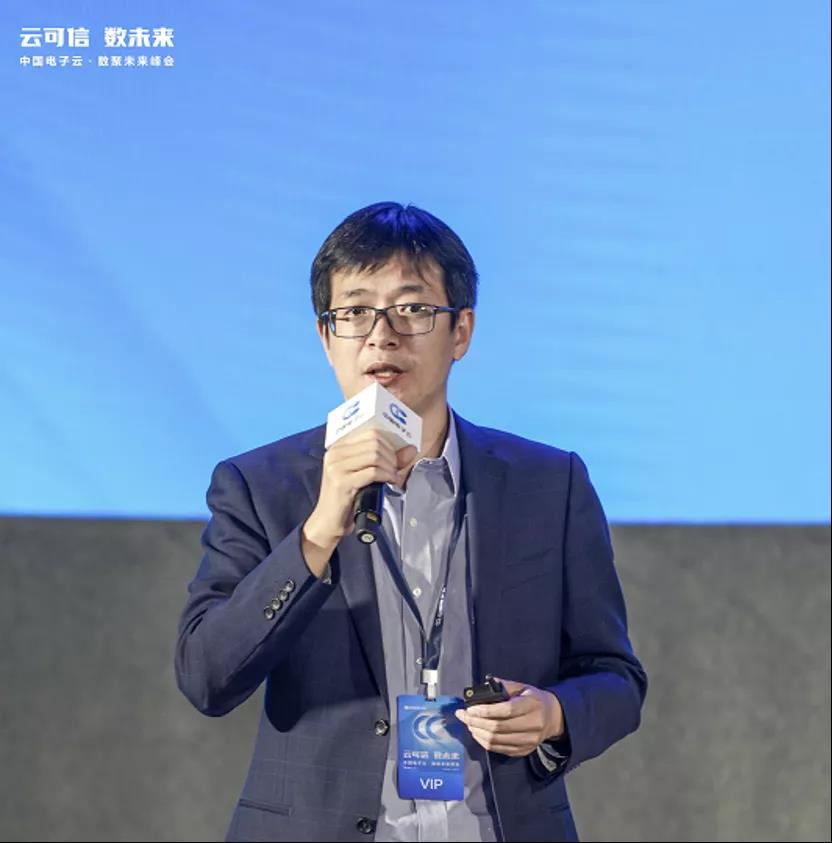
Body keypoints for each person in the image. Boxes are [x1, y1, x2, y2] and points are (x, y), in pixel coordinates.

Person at [174, 202, 647, 842]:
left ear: (461, 332)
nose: (382, 335)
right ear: (326, 337)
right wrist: (319, 531)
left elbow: (616, 678)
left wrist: (556, 712)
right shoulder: (260, 486)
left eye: (413, 308)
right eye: (354, 312)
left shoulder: (547, 484)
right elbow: (206, 677)